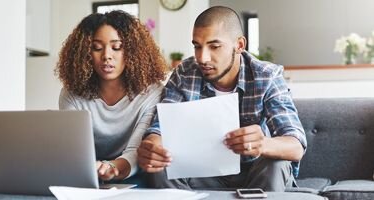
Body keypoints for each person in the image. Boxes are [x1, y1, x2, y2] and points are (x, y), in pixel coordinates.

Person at [137, 6, 307, 191]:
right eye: (197, 46)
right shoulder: (185, 74)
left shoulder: (267, 76)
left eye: (214, 46)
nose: (202, 58)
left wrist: (263, 144)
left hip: (255, 174)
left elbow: (295, 146)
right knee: (160, 166)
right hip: (203, 173)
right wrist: (153, 145)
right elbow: (160, 127)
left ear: (240, 45)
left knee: (276, 163)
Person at [55, 10, 167, 182]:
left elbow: (136, 150)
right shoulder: (72, 93)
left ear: (132, 52)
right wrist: (95, 169)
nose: (107, 56)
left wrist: (112, 168)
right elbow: (73, 149)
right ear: (85, 53)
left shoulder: (151, 92)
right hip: (87, 173)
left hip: (130, 173)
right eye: (96, 48)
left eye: (117, 47)